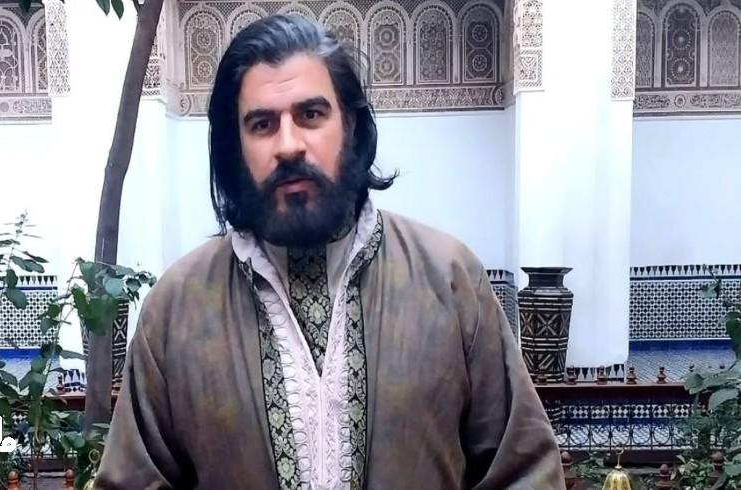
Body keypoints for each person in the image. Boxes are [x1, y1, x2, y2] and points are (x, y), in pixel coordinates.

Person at [95, 14, 564, 490]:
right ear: (234, 147)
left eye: (311, 115)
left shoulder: (449, 279)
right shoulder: (177, 308)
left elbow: (524, 471)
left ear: (351, 126)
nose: (289, 145)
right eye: (262, 124)